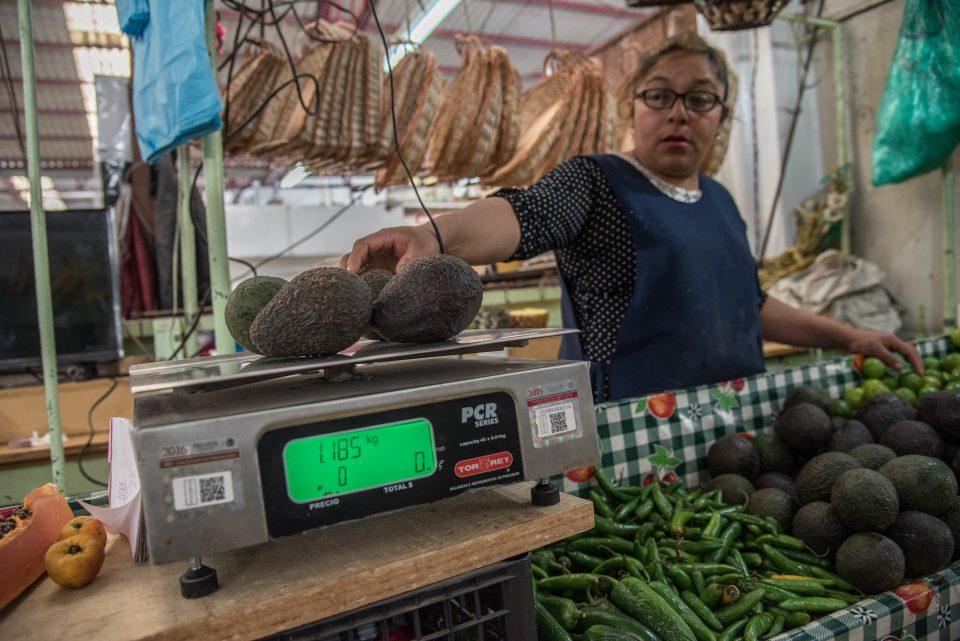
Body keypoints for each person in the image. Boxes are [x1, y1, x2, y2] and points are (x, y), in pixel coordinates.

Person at [342, 33, 922, 403]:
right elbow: (526, 213)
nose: (678, 113)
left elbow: (753, 305)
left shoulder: (720, 200)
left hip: (735, 427)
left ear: (721, 115)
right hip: (631, 434)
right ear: (633, 108)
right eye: (659, 96)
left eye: (699, 99)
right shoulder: (594, 183)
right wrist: (434, 235)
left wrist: (851, 337)